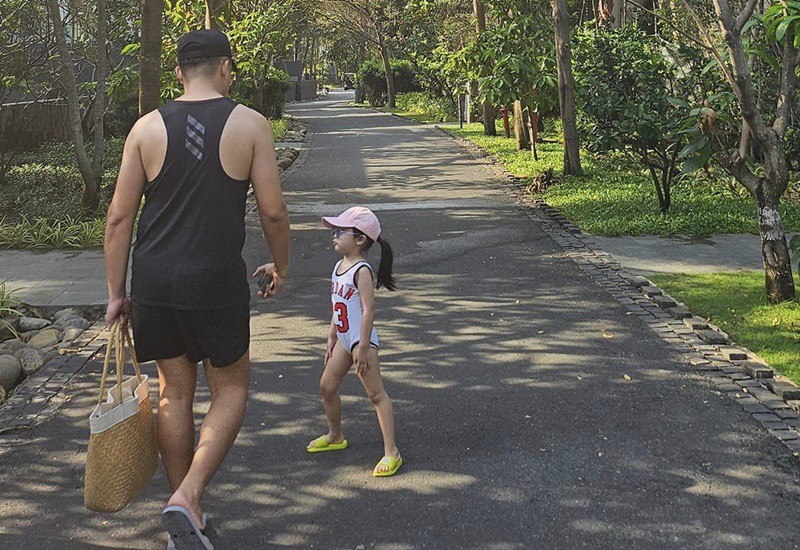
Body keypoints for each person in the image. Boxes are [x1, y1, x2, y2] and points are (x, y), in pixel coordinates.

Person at [103, 28, 290, 549]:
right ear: (227, 68)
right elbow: (273, 211)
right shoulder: (251, 124)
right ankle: (188, 495)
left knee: (173, 393)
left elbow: (119, 219)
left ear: (179, 73)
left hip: (155, 279)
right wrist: (281, 265)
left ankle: (183, 512)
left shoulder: (145, 129)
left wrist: (117, 292)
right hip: (215, 279)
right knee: (230, 388)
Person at [306, 206, 402, 477]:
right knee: (327, 386)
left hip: (362, 342)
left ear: (360, 239)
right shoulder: (339, 266)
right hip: (344, 339)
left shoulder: (361, 270)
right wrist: (332, 334)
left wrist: (361, 347)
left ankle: (391, 451)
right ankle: (335, 435)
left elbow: (368, 310)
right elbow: (339, 305)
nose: (334, 236)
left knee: (375, 394)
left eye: (340, 231)